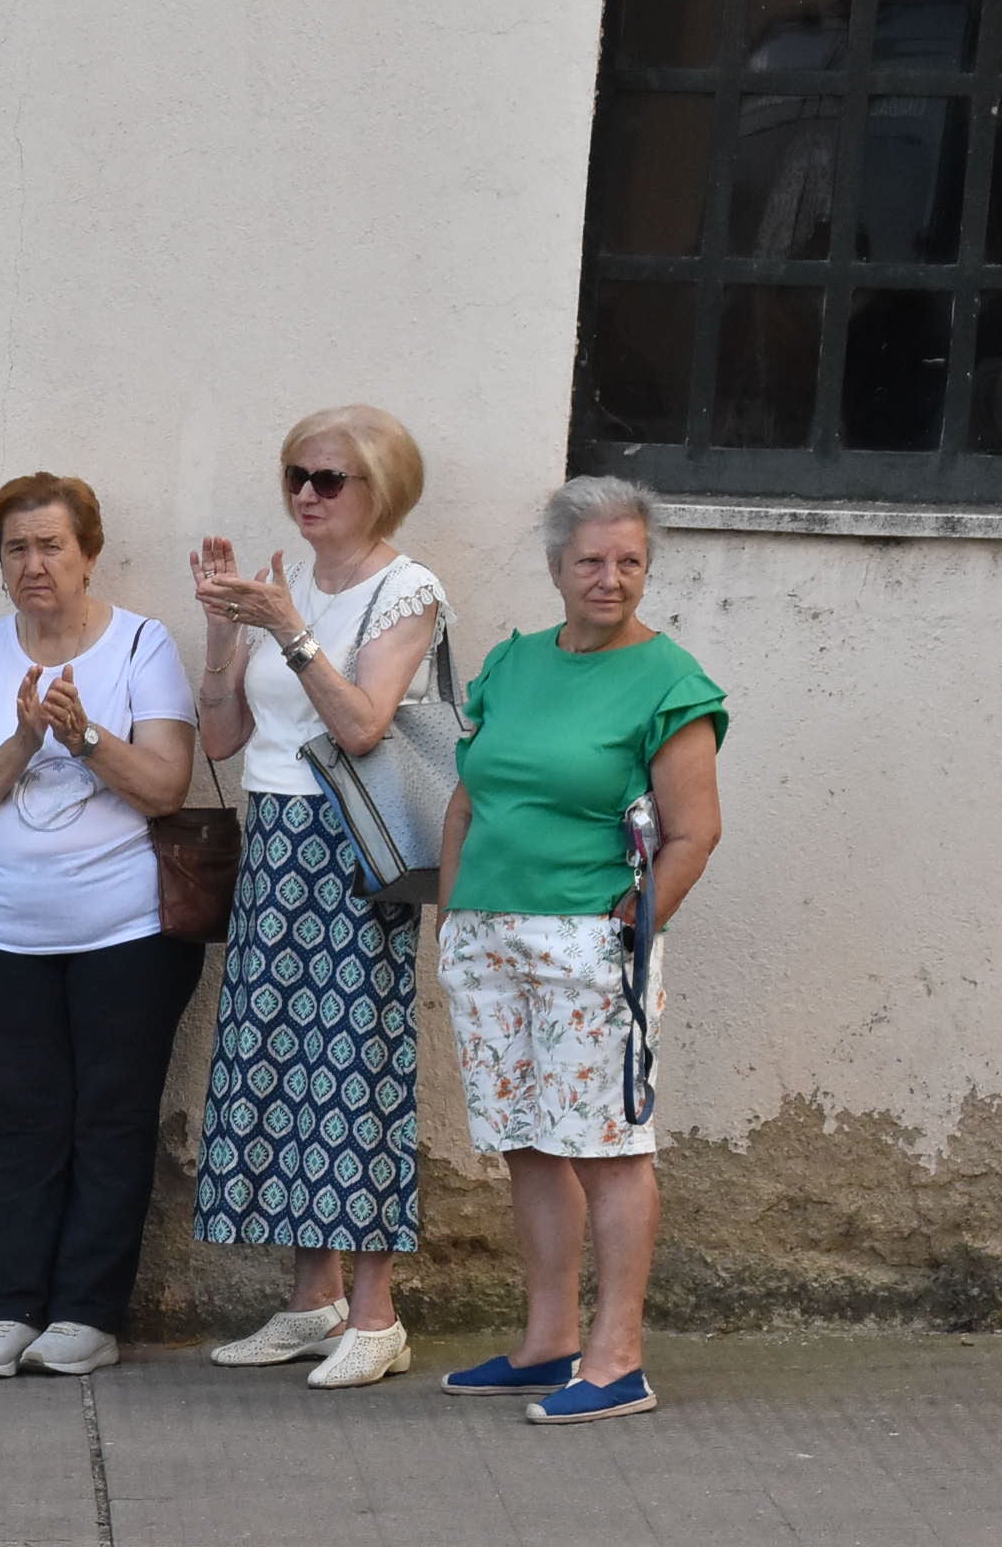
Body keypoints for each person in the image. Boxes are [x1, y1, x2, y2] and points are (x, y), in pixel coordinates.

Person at [437, 478, 726, 1425]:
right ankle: (550, 1343)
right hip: (487, 933)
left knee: (607, 1146)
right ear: (557, 567)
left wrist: (628, 934)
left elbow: (694, 834)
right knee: (527, 1142)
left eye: (630, 561)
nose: (612, 579)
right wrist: (452, 915)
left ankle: (620, 1359)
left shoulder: (668, 681)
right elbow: (467, 797)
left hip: (587, 943)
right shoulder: (512, 665)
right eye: (592, 561)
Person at [189, 405, 449, 1390]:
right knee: (273, 1058)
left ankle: (376, 1314)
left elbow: (363, 724)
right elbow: (220, 739)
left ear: (379, 488)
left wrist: (291, 631)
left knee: (354, 1065)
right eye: (295, 473)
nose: (304, 492)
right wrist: (221, 636)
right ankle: (311, 1299)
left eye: (328, 478)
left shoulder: (405, 587)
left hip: (352, 844)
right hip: (273, 837)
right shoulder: (277, 576)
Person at [0, 475, 203, 1380]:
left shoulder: (141, 644)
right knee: (22, 1120)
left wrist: (84, 736)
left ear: (88, 553)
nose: (35, 563)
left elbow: (167, 785)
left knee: (112, 1118)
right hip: (7, 931)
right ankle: (11, 1308)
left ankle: (88, 1314)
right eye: (16, 548)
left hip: (127, 929)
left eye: (52, 545)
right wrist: (22, 741)